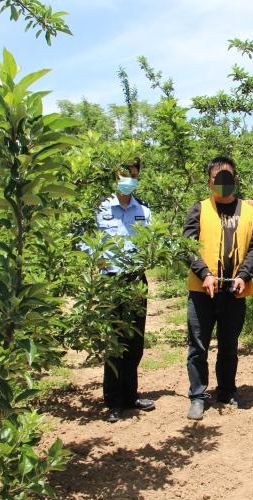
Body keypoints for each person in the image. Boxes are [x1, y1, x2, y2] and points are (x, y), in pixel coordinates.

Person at [182, 156, 253, 420]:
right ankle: (198, 395)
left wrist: (244, 275)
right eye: (217, 179)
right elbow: (187, 246)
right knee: (198, 346)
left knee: (229, 345)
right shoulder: (199, 209)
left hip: (234, 292)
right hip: (202, 291)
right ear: (209, 182)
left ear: (234, 180)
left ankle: (227, 391)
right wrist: (204, 273)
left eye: (227, 178)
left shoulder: (250, 211)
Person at [93, 157, 155, 422]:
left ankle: (131, 395)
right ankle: (114, 401)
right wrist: (96, 259)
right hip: (111, 281)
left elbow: (152, 243)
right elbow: (86, 241)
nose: (128, 180)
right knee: (115, 343)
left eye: (133, 175)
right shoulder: (101, 209)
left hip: (136, 281)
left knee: (135, 341)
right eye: (124, 175)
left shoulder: (144, 211)